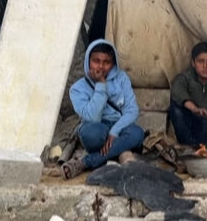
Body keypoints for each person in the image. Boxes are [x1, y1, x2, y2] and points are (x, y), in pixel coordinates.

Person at [61, 39, 145, 179]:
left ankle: (87, 162)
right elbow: (92, 117)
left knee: (137, 133)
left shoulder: (121, 78)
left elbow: (132, 111)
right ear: (88, 61)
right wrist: (101, 84)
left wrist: (114, 131)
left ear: (113, 64)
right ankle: (118, 149)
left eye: (106, 62)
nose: (100, 66)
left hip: (119, 127)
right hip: (97, 128)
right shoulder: (77, 89)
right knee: (91, 134)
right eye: (96, 61)